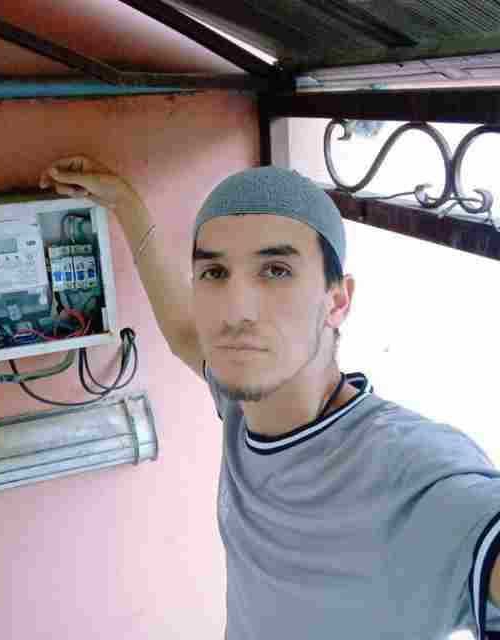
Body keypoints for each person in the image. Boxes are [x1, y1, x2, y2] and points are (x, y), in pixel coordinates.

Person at [40, 156, 500, 640]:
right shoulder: (243, 403)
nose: (236, 311)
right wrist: (125, 203)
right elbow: (182, 332)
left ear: (337, 301)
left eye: (276, 270)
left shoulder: (415, 473)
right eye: (215, 273)